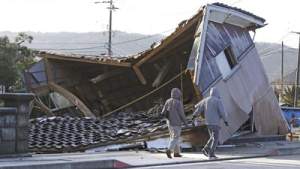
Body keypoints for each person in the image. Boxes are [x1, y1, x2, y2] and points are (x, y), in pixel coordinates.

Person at [192, 87, 229, 160]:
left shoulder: (206, 100)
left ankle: (205, 148)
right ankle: (211, 154)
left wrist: (194, 115)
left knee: (212, 137)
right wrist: (225, 121)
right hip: (215, 123)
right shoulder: (218, 101)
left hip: (208, 122)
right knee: (215, 139)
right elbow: (222, 112)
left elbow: (199, 108)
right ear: (217, 93)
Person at [161, 88, 188, 158]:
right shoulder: (178, 103)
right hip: (176, 123)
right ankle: (169, 150)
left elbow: (163, 112)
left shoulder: (168, 101)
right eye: (179, 95)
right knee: (175, 137)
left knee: (173, 137)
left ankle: (176, 153)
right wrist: (186, 123)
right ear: (178, 94)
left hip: (169, 123)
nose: (180, 96)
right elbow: (182, 114)